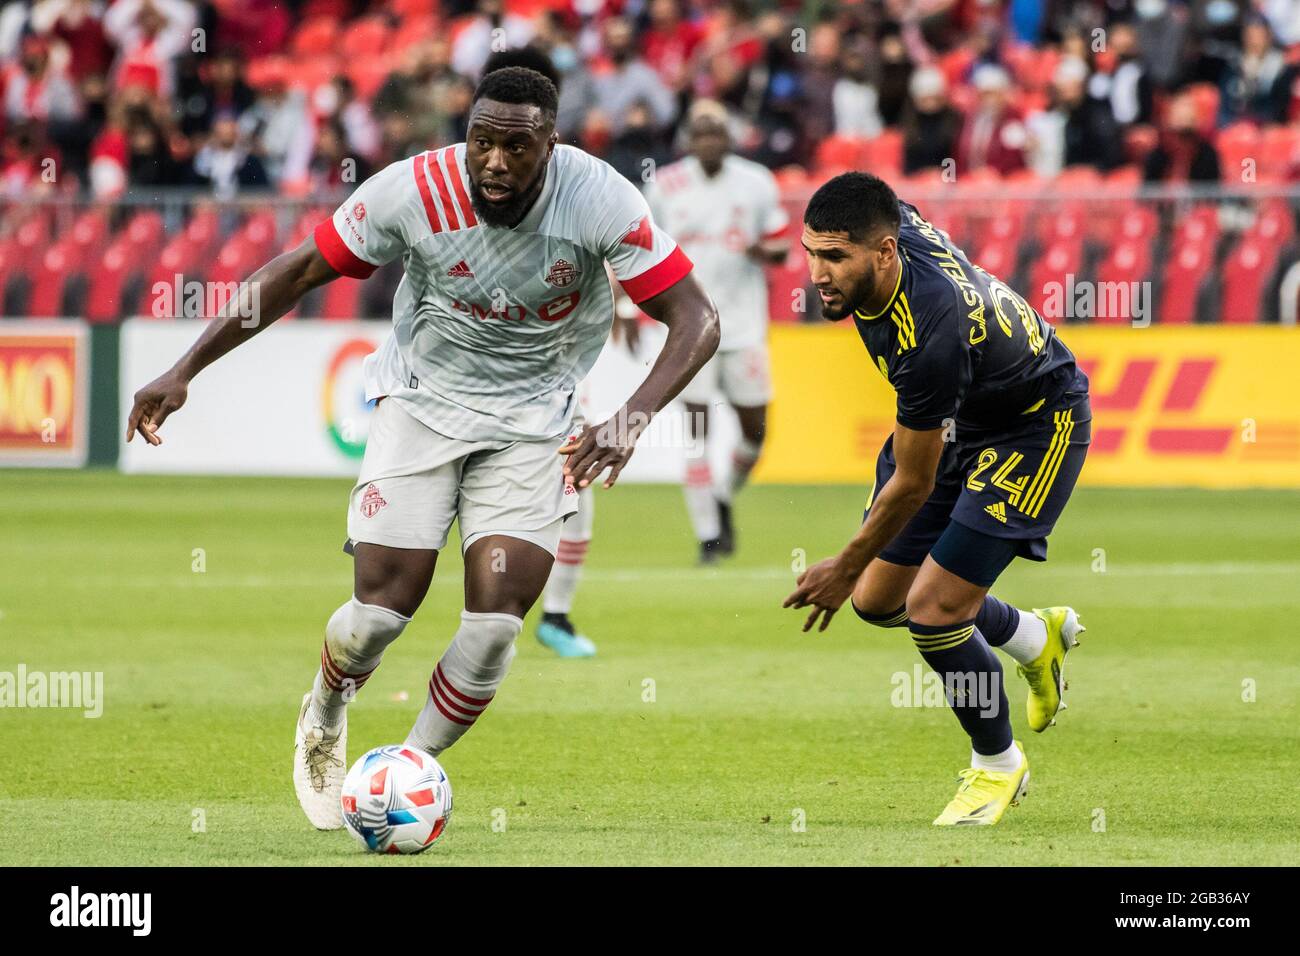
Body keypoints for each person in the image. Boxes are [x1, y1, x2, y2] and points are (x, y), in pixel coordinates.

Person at [125, 65, 719, 831]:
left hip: (535, 424)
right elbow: (299, 271)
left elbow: (697, 319)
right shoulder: (411, 189)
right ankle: (326, 710)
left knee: (497, 620)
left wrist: (630, 418)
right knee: (380, 613)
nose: (495, 162)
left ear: (552, 144)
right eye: (482, 141)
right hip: (422, 406)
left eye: (517, 146)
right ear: (464, 134)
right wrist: (184, 369)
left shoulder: (601, 198)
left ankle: (402, 775)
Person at [785, 172, 1090, 827]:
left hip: (1034, 425)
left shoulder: (930, 334)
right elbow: (887, 201)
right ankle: (1032, 635)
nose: (818, 273)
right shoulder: (892, 228)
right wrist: (854, 577)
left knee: (931, 610)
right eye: (810, 253)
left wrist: (840, 564)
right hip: (961, 415)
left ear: (886, 253)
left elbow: (914, 482)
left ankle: (997, 765)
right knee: (877, 600)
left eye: (836, 257)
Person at [643, 99, 789, 562]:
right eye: (701, 132)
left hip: (745, 326)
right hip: (690, 328)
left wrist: (764, 251)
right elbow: (643, 247)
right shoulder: (665, 185)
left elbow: (783, 245)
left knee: (756, 433)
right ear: (689, 138)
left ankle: (722, 494)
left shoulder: (756, 182)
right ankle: (708, 535)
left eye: (717, 132)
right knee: (697, 428)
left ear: (729, 138)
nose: (709, 140)